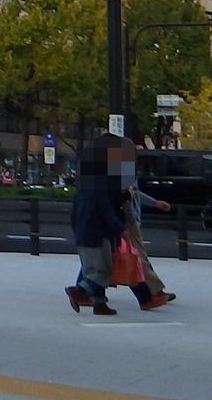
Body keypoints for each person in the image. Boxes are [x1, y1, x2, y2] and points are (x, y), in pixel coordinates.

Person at [66, 133, 132, 316]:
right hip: (97, 232)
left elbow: (77, 208)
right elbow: (105, 208)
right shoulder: (102, 182)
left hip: (83, 229)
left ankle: (99, 304)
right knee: (102, 270)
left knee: (92, 268)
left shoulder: (87, 180)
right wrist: (120, 229)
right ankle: (78, 291)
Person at [122, 178, 177, 311]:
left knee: (109, 255)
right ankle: (153, 291)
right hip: (128, 220)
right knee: (138, 257)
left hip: (126, 219)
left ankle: (85, 288)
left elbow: (132, 193)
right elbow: (126, 195)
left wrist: (154, 203)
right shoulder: (120, 166)